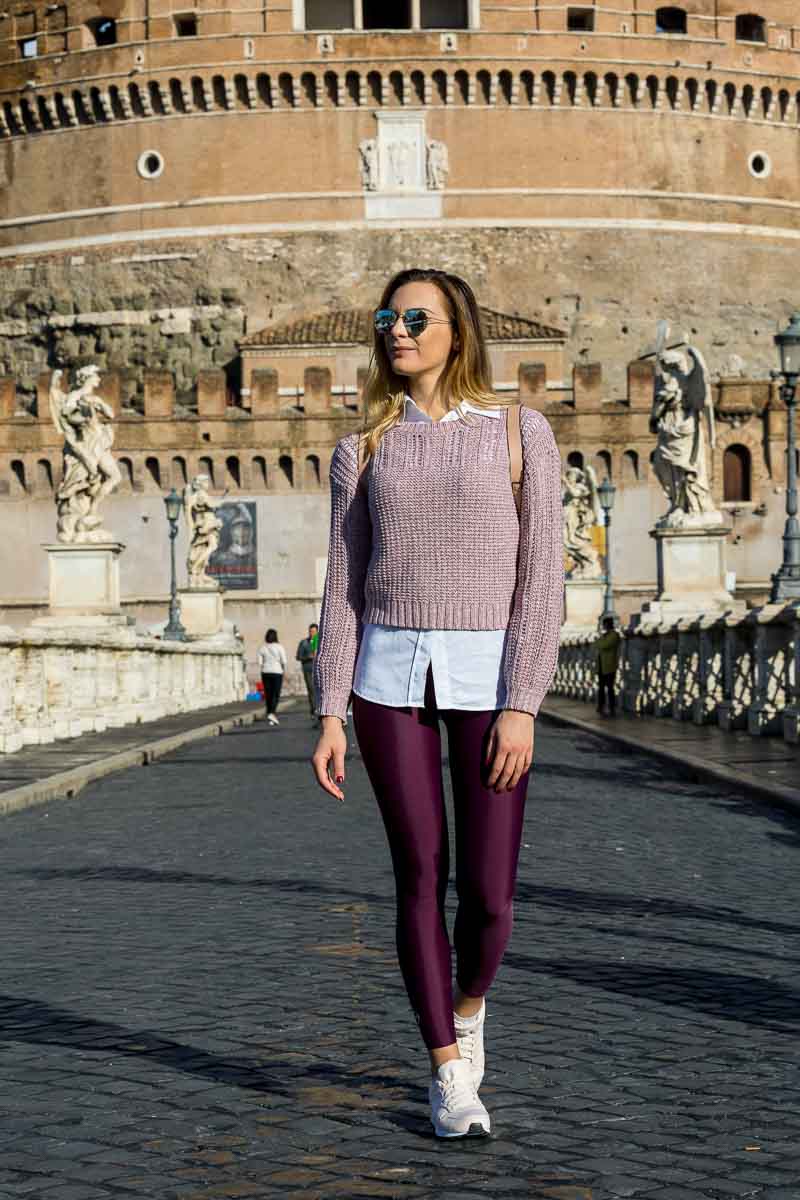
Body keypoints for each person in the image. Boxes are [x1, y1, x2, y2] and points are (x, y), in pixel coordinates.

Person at [310, 268, 564, 1139]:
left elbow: (541, 581)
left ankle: (468, 1005)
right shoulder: (363, 450)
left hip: (489, 682)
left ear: (460, 331)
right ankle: (446, 1074)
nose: (399, 331)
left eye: (418, 317)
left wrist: (525, 701)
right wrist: (329, 710)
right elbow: (343, 585)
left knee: (491, 895)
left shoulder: (519, 434)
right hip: (387, 680)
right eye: (389, 317)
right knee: (420, 877)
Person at [258, 629, 287, 727]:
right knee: (276, 693)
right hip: (277, 672)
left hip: (265, 672)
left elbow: (260, 662)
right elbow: (284, 661)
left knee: (268, 693)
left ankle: (269, 713)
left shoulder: (262, 648)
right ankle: (272, 713)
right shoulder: (279, 647)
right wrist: (283, 670)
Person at [593, 616, 621, 716]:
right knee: (601, 688)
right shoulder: (605, 635)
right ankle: (601, 706)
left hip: (609, 666)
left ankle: (612, 708)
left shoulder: (614, 635)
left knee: (610, 688)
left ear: (609, 624)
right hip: (601, 666)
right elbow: (596, 644)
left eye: (604, 624)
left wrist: (599, 642)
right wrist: (599, 642)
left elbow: (603, 645)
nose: (603, 626)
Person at [296, 623, 319, 723]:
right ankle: (314, 710)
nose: (312, 633)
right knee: (311, 690)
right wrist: (308, 657)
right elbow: (298, 656)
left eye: (314, 632)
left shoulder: (321, 641)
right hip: (308, 669)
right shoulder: (304, 643)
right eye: (310, 631)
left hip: (319, 669)